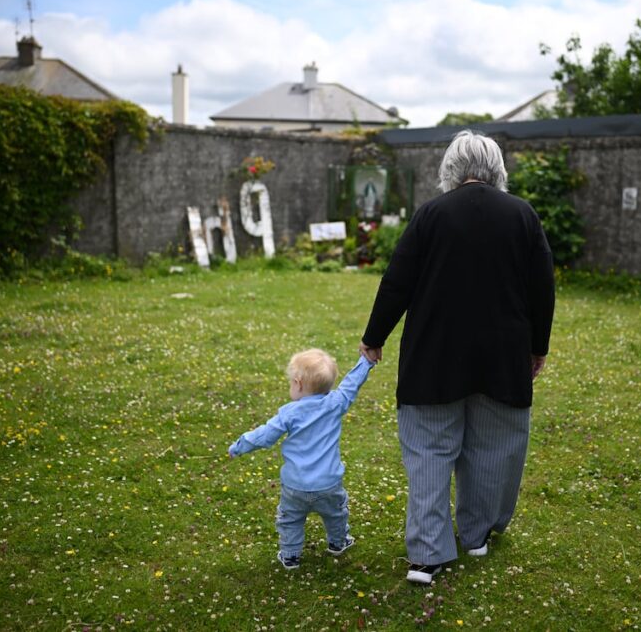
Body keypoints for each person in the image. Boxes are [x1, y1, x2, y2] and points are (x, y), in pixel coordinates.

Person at [360, 130, 555, 585]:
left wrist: (375, 336)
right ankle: (477, 535)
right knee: (494, 449)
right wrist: (538, 347)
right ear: (497, 169)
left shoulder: (430, 214)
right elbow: (541, 288)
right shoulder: (523, 215)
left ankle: (427, 557)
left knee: (428, 450)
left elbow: (398, 281)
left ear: (450, 169)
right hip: (502, 356)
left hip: (433, 356)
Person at [229, 349, 375, 570]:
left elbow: (264, 435)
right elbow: (351, 383)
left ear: (297, 384)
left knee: (290, 520)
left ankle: (290, 556)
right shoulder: (336, 402)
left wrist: (239, 446)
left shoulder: (289, 413)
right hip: (329, 483)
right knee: (336, 514)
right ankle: (338, 542)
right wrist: (366, 361)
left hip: (295, 486)